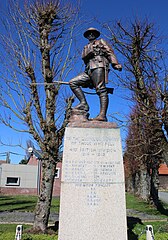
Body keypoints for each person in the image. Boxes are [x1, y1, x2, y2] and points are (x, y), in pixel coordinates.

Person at [69, 27, 122, 121]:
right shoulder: (85, 47)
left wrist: (115, 64)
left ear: (96, 34)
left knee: (101, 89)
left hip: (98, 65)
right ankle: (83, 103)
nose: (91, 35)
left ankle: (102, 115)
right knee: (73, 82)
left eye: (93, 33)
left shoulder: (101, 42)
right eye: (89, 34)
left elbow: (109, 52)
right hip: (89, 69)